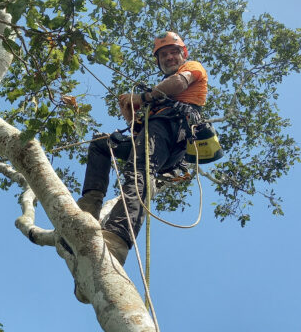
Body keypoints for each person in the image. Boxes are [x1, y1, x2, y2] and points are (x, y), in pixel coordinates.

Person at [77, 31, 208, 267]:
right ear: (158, 61)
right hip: (154, 136)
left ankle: (116, 238)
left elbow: (179, 82)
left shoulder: (191, 67)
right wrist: (130, 110)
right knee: (100, 144)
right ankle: (89, 206)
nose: (169, 58)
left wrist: (143, 96)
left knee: (138, 172)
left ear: (183, 54)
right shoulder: (157, 101)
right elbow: (137, 131)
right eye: (163, 55)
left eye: (173, 53)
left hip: (172, 129)